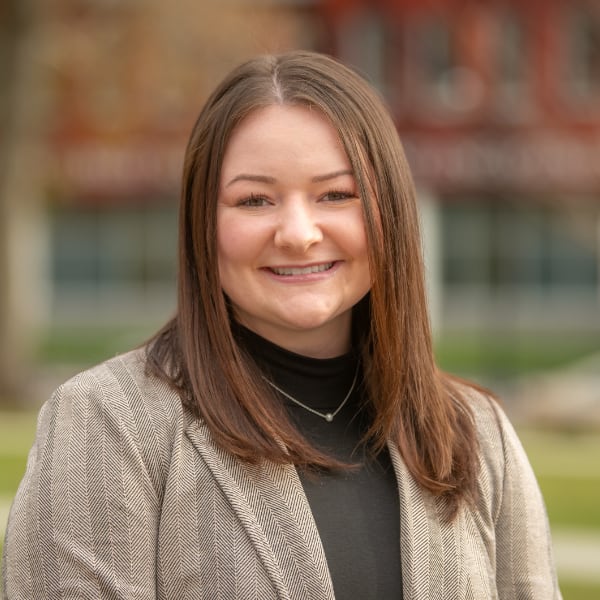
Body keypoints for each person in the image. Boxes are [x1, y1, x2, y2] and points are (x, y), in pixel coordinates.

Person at [2, 50, 561, 599]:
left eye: (336, 194)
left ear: (388, 211)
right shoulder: (108, 425)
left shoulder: (478, 435)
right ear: (203, 222)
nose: (298, 232)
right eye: (255, 200)